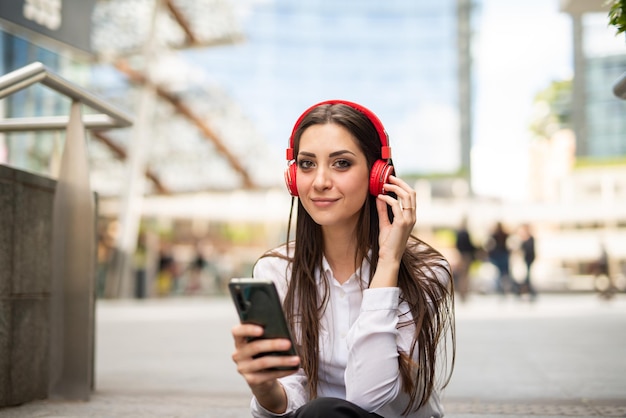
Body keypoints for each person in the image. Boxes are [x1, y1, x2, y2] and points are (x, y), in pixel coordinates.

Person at [230, 100, 455, 418]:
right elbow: (287, 403)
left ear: (379, 175)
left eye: (341, 164)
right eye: (307, 164)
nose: (320, 181)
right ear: (293, 178)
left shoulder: (427, 271)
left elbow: (368, 396)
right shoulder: (277, 269)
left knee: (323, 412)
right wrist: (266, 389)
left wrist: (388, 262)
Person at [485, 222, 517, 296]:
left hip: (499, 256)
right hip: (502, 256)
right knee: (503, 274)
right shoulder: (502, 235)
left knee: (501, 274)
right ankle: (503, 288)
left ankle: (502, 288)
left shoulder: (496, 235)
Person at [454, 217, 476, 302]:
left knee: (461, 276)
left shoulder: (458, 233)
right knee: (465, 276)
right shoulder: (465, 233)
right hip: (466, 255)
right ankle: (464, 293)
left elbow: (457, 245)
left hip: (461, 255)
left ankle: (462, 294)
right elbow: (469, 246)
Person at [518, 223, 537, 300]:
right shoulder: (524, 239)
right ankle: (526, 290)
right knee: (526, 277)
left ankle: (528, 291)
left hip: (529, 259)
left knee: (527, 277)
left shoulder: (531, 239)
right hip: (525, 260)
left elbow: (531, 250)